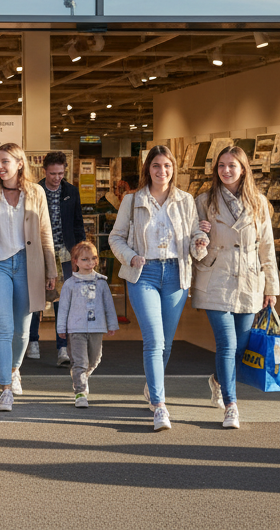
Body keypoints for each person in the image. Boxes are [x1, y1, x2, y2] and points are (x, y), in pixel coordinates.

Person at [108, 144, 208, 432]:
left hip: (176, 273)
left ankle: (153, 388)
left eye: (167, 166)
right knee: (154, 339)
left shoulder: (186, 200)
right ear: (147, 169)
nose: (162, 171)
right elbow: (116, 238)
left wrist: (200, 242)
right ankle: (160, 407)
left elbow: (193, 239)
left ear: (173, 168)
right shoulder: (133, 200)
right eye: (156, 166)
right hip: (144, 273)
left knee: (166, 341)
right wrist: (131, 256)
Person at [193, 145, 278, 430]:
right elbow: (192, 248)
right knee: (227, 344)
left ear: (243, 169)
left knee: (240, 347)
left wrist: (272, 287)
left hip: (249, 281)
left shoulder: (259, 203)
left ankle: (217, 379)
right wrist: (200, 240)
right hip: (215, 278)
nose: (226, 170)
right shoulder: (204, 201)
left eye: (232, 165)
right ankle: (231, 405)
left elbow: (267, 247)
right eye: (221, 165)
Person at [0, 143, 59, 412]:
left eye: (5, 161)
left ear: (20, 163)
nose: (0, 166)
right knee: (3, 328)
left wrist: (51, 269)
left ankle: (14, 370)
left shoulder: (35, 192)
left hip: (27, 266)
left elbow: (45, 232)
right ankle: (5, 389)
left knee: (23, 331)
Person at [32, 151, 86, 364]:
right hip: (39, 252)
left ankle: (62, 348)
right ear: (44, 171)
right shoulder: (35, 191)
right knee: (36, 300)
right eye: (53, 173)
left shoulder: (71, 191)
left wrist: (80, 252)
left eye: (60, 173)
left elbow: (77, 222)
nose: (57, 177)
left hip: (65, 252)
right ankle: (33, 341)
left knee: (63, 302)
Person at [56, 241, 118, 408]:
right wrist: (61, 328)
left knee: (94, 360)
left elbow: (108, 305)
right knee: (80, 362)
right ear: (75, 261)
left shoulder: (102, 283)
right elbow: (63, 308)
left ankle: (80, 376)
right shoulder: (70, 284)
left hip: (97, 328)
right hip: (75, 329)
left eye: (93, 258)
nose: (90, 263)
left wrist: (112, 324)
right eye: (85, 259)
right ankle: (81, 391)